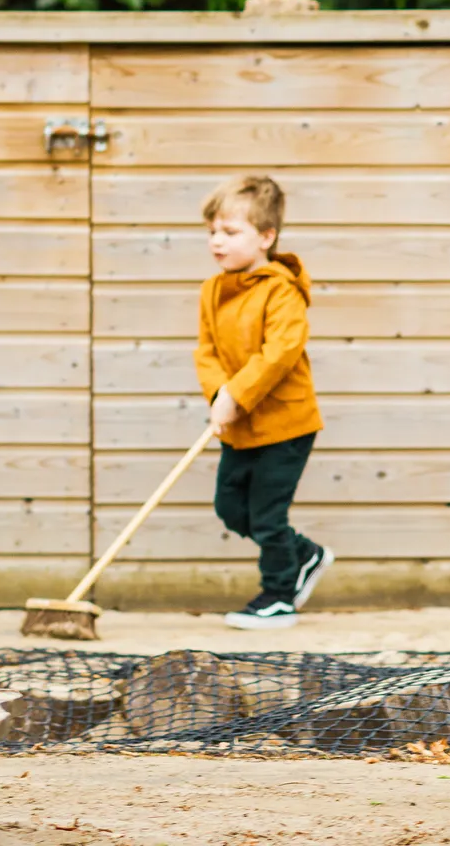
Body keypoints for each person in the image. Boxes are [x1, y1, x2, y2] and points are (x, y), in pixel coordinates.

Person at [195, 174, 334, 630]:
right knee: (231, 509)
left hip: (286, 426)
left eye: (231, 232)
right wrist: (220, 394)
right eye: (213, 231)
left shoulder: (281, 290)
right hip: (238, 424)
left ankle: (278, 595)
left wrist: (238, 393)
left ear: (266, 237)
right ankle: (305, 555)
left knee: (268, 515)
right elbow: (207, 350)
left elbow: (280, 352)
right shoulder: (212, 291)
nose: (218, 241)